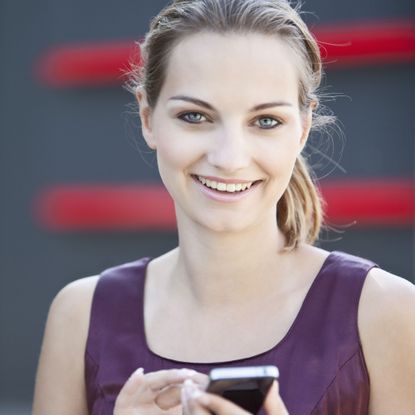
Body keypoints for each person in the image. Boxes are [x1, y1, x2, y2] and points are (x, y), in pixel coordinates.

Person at [32, 0, 415, 414]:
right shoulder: (80, 315)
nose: (229, 157)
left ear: (302, 128)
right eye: (195, 116)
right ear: (148, 117)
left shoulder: (386, 311)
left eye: (266, 120)